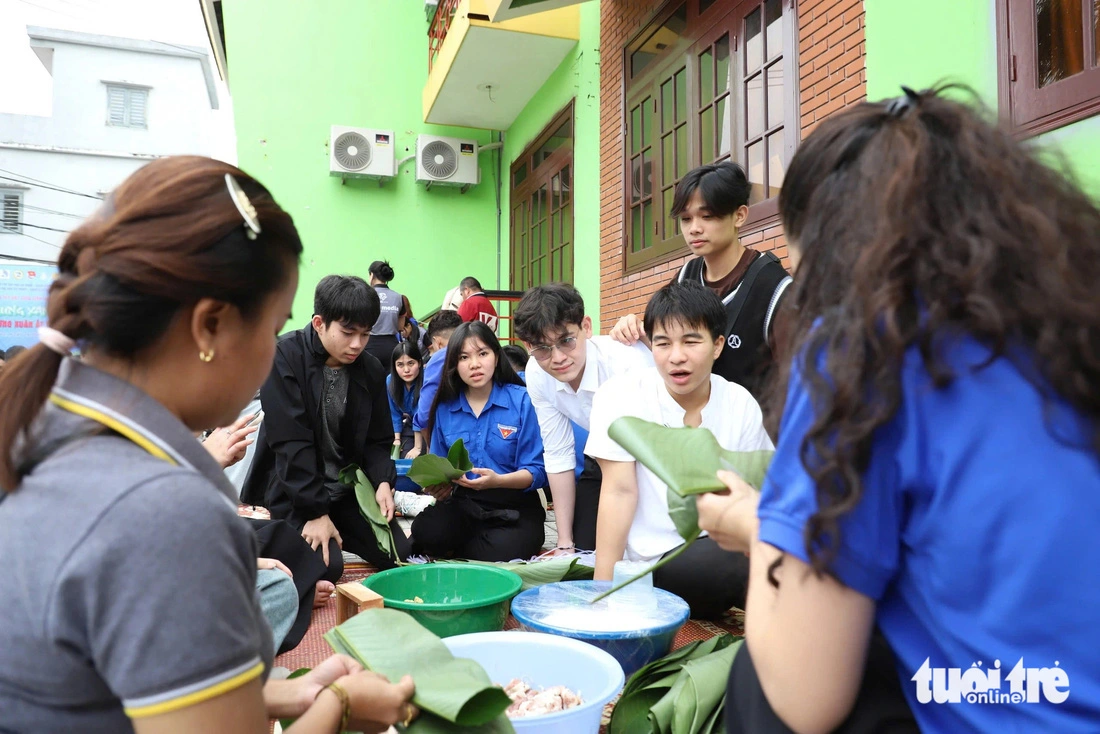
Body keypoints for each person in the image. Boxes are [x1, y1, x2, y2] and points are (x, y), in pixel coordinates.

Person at [697, 87, 1100, 733]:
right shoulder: (1069, 329)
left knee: (761, 677)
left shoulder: (857, 351)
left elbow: (806, 698)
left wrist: (757, 527)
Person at [0, 156, 417, 732]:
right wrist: (342, 707)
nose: (274, 352)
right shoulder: (167, 507)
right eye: (271, 330)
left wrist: (272, 695)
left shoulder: (37, 418)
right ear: (210, 326)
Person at [586, 281, 773, 618]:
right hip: (654, 564)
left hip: (722, 542)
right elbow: (618, 491)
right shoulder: (620, 396)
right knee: (737, 563)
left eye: (691, 341)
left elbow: (759, 491)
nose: (676, 357)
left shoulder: (739, 403)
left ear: (717, 345)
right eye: (663, 343)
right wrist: (603, 592)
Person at [242, 275, 411, 580]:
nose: (357, 344)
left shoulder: (370, 368)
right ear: (319, 323)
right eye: (348, 333)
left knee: (398, 553)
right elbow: (291, 444)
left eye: (365, 333)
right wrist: (315, 513)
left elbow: (378, 438)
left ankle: (334, 524)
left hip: (345, 491)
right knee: (327, 568)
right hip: (296, 491)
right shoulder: (284, 357)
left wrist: (383, 481)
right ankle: (266, 539)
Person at [609, 162, 792, 401]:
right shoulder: (687, 276)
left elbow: (802, 386)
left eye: (707, 216)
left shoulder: (775, 290)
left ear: (739, 215)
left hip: (756, 432)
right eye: (686, 219)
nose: (694, 229)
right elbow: (666, 340)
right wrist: (631, 326)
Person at [514, 282, 653, 552]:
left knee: (637, 546)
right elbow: (558, 452)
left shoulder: (627, 362)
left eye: (566, 340)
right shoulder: (536, 372)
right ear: (528, 345)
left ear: (586, 327)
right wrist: (565, 542)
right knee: (586, 548)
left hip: (652, 455)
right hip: (600, 455)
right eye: (542, 348)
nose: (557, 358)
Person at [411, 322, 547, 561]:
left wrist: (497, 481)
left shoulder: (522, 401)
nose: (474, 364)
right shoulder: (445, 408)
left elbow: (536, 471)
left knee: (504, 549)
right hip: (464, 502)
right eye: (464, 357)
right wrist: (439, 488)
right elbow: (440, 468)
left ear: (496, 356)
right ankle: (468, 544)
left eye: (482, 353)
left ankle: (465, 548)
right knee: (425, 532)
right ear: (454, 364)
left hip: (514, 503)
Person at [412, 310, 463, 445]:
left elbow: (424, 414)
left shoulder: (440, 358)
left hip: (453, 436)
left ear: (437, 342)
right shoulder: (483, 353)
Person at [363, 260, 405, 372]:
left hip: (369, 345)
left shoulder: (365, 296)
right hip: (392, 346)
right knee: (391, 383)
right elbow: (401, 326)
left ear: (371, 275)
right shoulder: (398, 297)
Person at [387, 341, 424, 460]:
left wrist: (417, 448)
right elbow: (394, 414)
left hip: (429, 426)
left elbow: (420, 414)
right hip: (409, 425)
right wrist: (397, 439)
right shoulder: (390, 381)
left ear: (419, 362)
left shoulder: (427, 380)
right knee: (402, 457)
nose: (406, 370)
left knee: (420, 459)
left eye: (411, 363)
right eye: (400, 365)